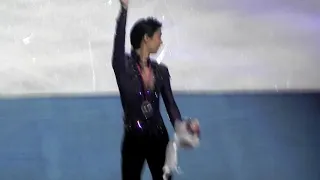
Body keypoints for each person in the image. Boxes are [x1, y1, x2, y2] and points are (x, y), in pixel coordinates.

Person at [112, 0, 198, 179]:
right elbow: (119, 43)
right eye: (158, 36)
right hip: (133, 139)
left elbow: (170, 105)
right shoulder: (124, 68)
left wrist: (181, 126)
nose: (161, 41)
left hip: (159, 138)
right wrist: (124, 10)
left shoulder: (161, 71)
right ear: (146, 38)